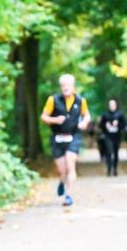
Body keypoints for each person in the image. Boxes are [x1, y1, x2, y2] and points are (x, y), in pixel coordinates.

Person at [40, 74, 90, 207]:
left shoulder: (80, 101)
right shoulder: (53, 100)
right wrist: (54, 120)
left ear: (73, 87)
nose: (65, 88)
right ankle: (62, 181)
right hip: (57, 136)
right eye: (63, 86)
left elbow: (87, 115)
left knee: (70, 163)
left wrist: (84, 122)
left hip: (74, 135)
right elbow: (43, 117)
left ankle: (69, 195)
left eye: (68, 85)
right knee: (61, 170)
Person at [99, 99, 125, 176]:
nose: (112, 106)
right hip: (107, 136)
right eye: (110, 105)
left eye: (113, 105)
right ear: (108, 106)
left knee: (116, 153)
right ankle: (109, 169)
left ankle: (115, 168)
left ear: (116, 105)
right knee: (109, 152)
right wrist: (105, 125)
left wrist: (118, 124)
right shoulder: (105, 114)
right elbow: (100, 125)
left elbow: (124, 125)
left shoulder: (120, 114)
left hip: (117, 136)